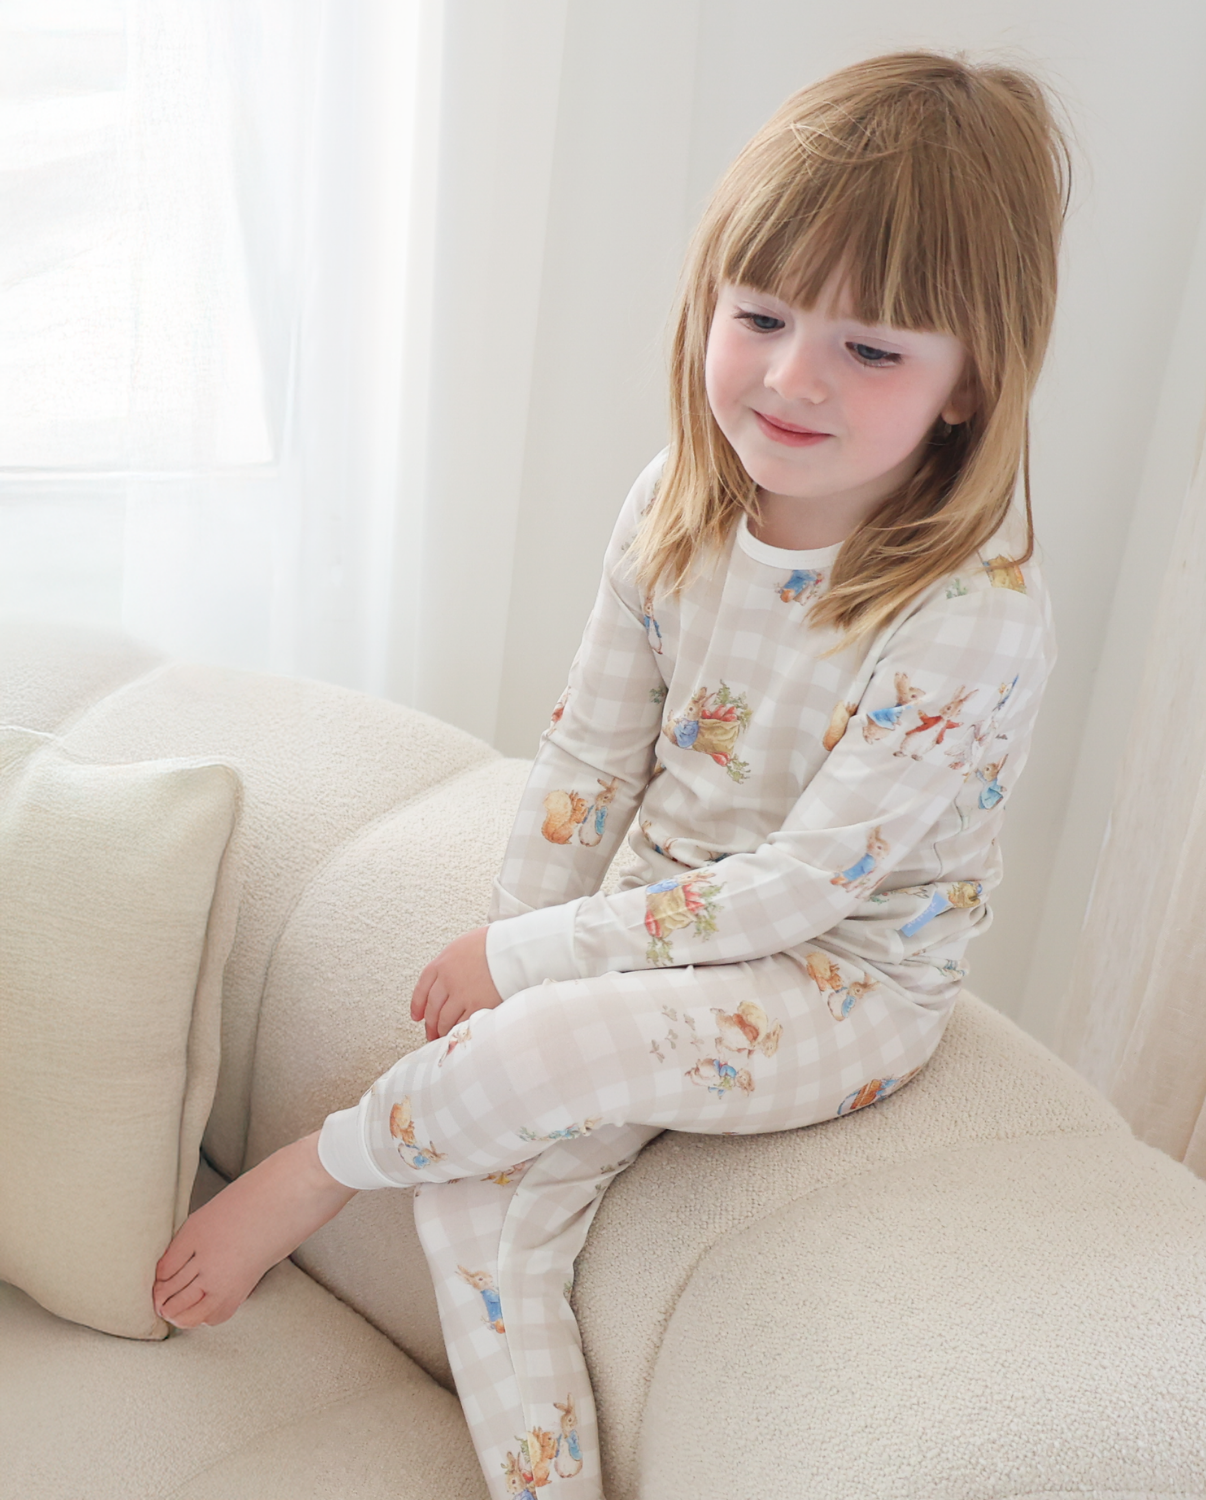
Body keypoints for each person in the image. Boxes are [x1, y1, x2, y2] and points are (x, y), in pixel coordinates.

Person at [151, 49, 1069, 1499]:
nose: (792, 376)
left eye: (871, 349)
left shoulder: (972, 621)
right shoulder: (673, 505)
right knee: (476, 1211)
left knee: (525, 1064)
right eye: (760, 316)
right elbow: (587, 758)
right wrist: (526, 941)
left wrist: (530, 964)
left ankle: (321, 1167)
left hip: (835, 980)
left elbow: (797, 889)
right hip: (657, 912)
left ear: (971, 386)